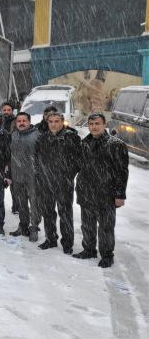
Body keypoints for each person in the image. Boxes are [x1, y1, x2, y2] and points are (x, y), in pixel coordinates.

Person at [73, 113, 128, 268]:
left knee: (105, 227)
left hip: (106, 194)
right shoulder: (85, 143)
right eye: (91, 124)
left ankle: (107, 255)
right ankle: (89, 249)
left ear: (104, 125)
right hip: (87, 192)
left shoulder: (115, 144)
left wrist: (119, 194)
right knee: (87, 225)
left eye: (97, 123)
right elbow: (78, 166)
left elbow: (122, 172)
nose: (94, 127)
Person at [34, 112, 81, 254]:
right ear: (47, 123)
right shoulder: (42, 138)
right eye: (51, 122)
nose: (53, 124)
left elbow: (78, 160)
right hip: (45, 182)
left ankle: (67, 243)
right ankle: (50, 238)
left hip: (63, 183)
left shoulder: (71, 138)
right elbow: (36, 159)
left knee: (65, 213)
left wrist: (67, 175)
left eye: (56, 121)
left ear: (62, 122)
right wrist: (41, 175)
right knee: (47, 212)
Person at [9, 112, 41, 241]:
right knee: (21, 204)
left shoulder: (37, 136)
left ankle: (34, 228)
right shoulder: (14, 135)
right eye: (19, 121)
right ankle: (23, 226)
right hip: (17, 176)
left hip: (33, 177)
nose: (21, 123)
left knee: (34, 204)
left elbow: (42, 157)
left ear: (29, 121)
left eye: (24, 121)